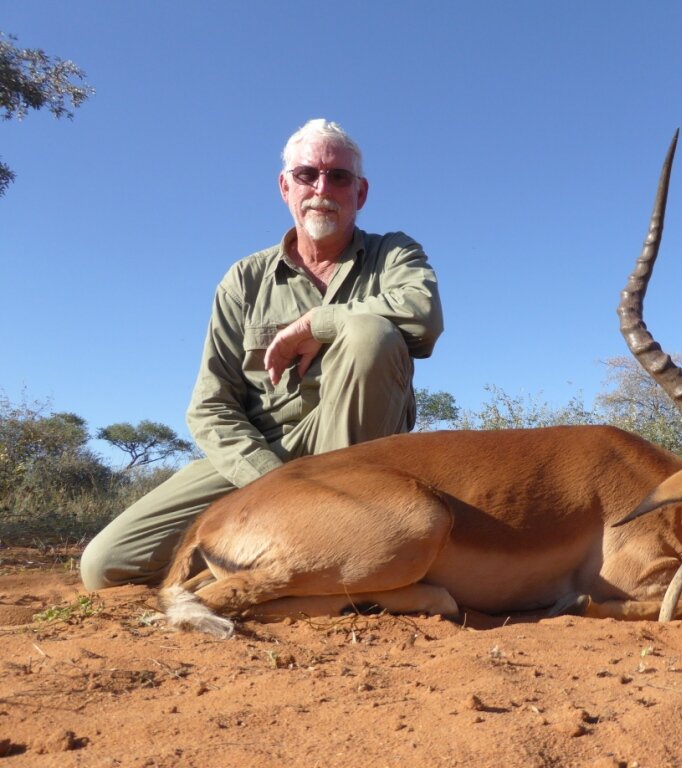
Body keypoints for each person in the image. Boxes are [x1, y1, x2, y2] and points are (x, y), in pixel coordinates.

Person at [80, 119, 443, 590]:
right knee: (107, 564)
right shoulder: (244, 279)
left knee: (369, 334)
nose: (321, 187)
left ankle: (334, 550)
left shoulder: (392, 253)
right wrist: (271, 482)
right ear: (284, 186)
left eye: (339, 177)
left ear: (361, 192)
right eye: (307, 174)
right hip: (266, 455)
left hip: (359, 452)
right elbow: (211, 406)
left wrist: (319, 322)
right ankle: (285, 551)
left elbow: (424, 317)